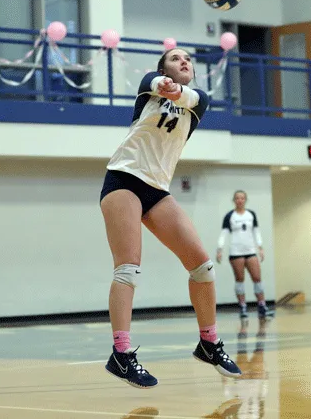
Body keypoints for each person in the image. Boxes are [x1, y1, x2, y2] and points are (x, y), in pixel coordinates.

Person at [100, 48, 241, 388]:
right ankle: (121, 354)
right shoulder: (150, 86)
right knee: (128, 268)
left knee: (203, 267)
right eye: (176, 58)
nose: (185, 62)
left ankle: (208, 343)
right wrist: (164, 83)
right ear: (163, 67)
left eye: (188, 59)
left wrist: (177, 90)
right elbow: (155, 83)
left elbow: (191, 96)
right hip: (123, 180)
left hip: (157, 190)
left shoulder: (199, 101)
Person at [216, 190, 273, 319]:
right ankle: (242, 306)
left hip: (250, 251)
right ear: (234, 200)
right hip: (236, 252)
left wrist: (260, 248)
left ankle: (262, 305)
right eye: (237, 198)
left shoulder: (251, 214)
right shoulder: (230, 216)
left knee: (257, 278)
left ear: (245, 200)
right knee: (240, 279)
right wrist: (220, 249)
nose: (240, 200)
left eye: (242, 198)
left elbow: (256, 232)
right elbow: (223, 234)